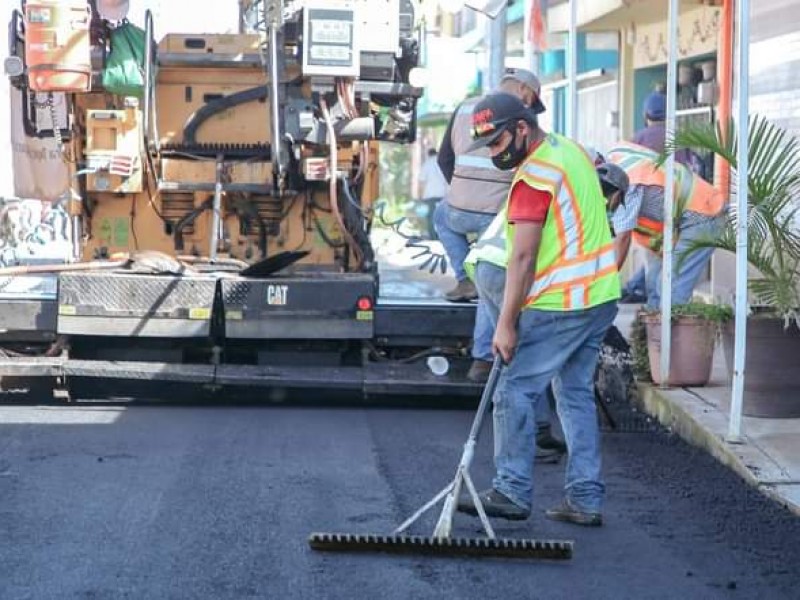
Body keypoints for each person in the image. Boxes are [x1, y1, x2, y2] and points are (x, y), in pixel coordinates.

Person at [456, 92, 621, 526]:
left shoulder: (533, 177)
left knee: (514, 391)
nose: (494, 152)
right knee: (575, 394)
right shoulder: (568, 150)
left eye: (496, 142)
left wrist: (506, 325)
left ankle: (510, 490)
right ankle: (585, 499)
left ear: (522, 129)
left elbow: (523, 258)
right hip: (600, 295)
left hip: (563, 302)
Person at [464, 161, 629, 466]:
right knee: (524, 363)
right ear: (614, 194)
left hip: (486, 262)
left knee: (520, 357)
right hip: (507, 270)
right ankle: (533, 441)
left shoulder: (560, 189)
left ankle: (533, 436)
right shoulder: (588, 211)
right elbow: (539, 260)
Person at [435, 68, 546, 303]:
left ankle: (465, 279)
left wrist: (460, 191)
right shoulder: (523, 118)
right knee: (493, 281)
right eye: (533, 98)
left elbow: (444, 158)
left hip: (458, 209)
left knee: (440, 215)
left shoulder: (466, 107)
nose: (531, 105)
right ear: (523, 89)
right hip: (497, 214)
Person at [607, 141, 726, 310]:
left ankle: (672, 334)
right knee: (654, 284)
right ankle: (654, 333)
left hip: (702, 213)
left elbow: (622, 237)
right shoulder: (615, 156)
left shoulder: (628, 181)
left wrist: (606, 282)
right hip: (667, 229)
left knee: (672, 287)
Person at [417, 148, 448, 238]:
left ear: (429, 154)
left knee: (430, 216)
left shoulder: (427, 163)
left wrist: (420, 195)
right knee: (442, 216)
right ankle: (442, 235)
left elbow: (422, 181)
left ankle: (432, 236)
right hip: (442, 194)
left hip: (430, 194)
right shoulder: (442, 162)